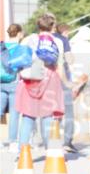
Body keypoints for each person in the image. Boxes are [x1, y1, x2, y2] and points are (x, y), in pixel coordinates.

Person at [17, 13, 68, 149]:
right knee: (47, 116)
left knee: (28, 117)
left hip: (31, 78)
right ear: (53, 26)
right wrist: (65, 84)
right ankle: (50, 151)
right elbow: (59, 66)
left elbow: (20, 60)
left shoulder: (28, 39)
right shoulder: (58, 42)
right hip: (50, 78)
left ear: (38, 25)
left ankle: (21, 152)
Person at [54, 23, 79, 152]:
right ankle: (67, 142)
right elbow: (69, 60)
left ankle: (52, 139)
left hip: (48, 78)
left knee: (52, 110)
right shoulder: (63, 40)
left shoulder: (45, 38)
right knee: (68, 110)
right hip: (63, 78)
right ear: (65, 32)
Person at [2, 24, 24, 152]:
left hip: (0, 83)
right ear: (19, 34)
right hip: (14, 83)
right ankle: (12, 143)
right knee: (14, 114)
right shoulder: (20, 48)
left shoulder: (1, 46)